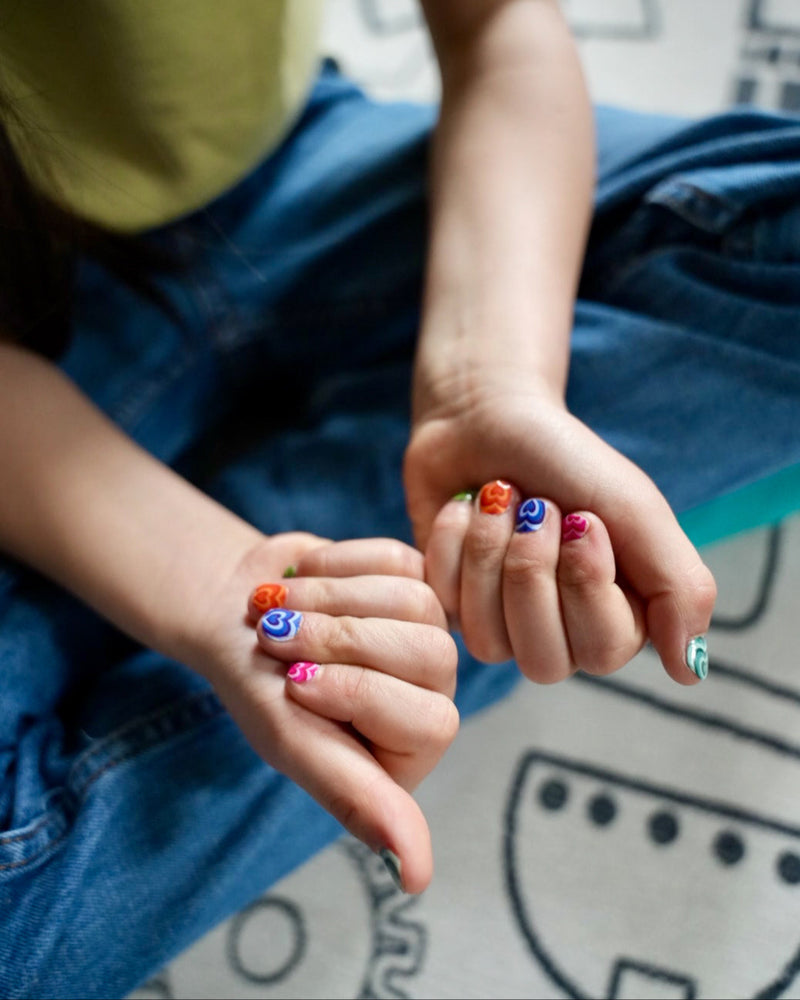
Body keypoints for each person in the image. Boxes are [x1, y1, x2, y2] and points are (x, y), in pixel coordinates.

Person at [1, 1, 799, 996]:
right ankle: (390, 574)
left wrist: (490, 379)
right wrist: (206, 579)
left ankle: (382, 577)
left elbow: (497, 22)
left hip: (307, 168)